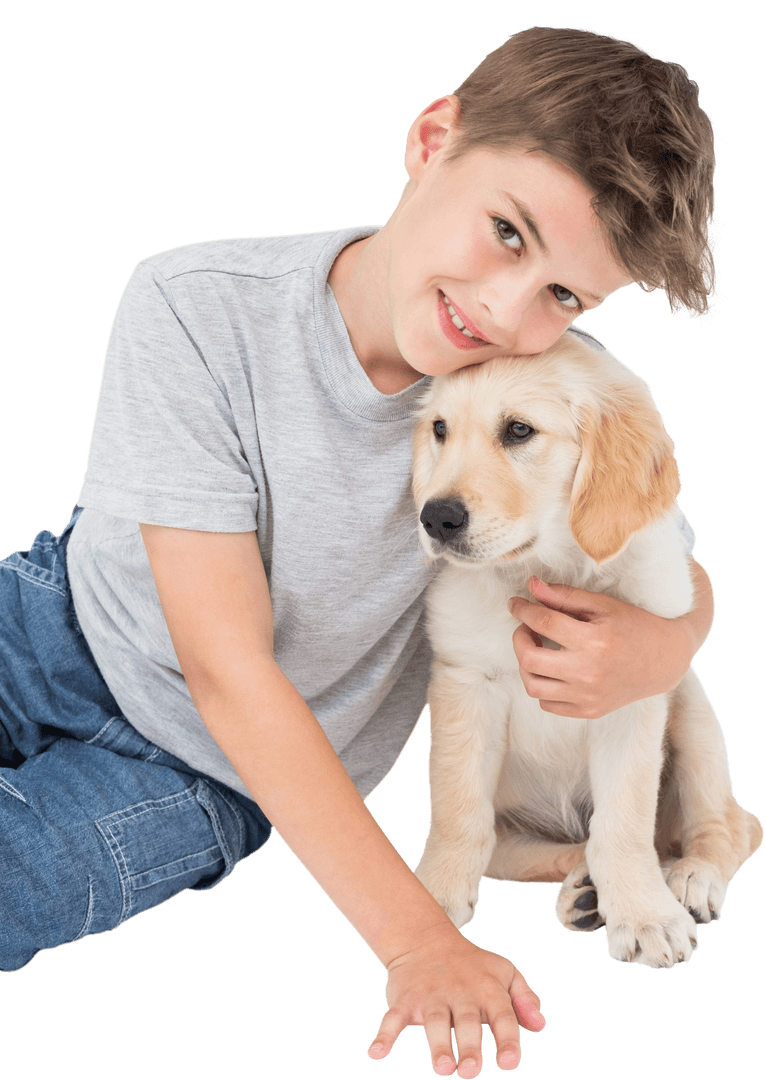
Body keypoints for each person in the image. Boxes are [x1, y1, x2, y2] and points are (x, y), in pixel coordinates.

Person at [0, 26, 719, 1079]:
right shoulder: (196, 305)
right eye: (509, 234)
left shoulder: (560, 389)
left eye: (565, 294)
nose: (508, 311)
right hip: (54, 626)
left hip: (213, 777)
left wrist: (674, 640)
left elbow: (657, 550)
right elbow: (224, 663)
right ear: (433, 138)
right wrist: (418, 938)